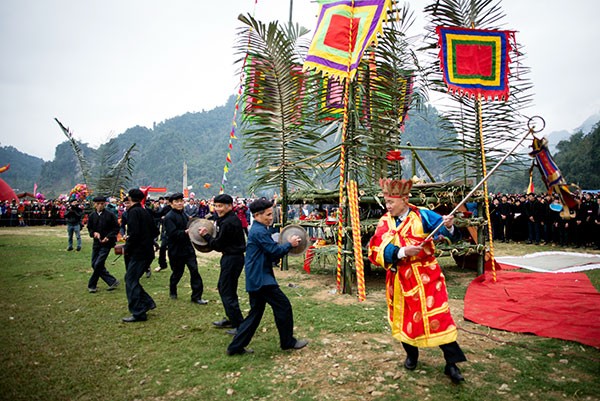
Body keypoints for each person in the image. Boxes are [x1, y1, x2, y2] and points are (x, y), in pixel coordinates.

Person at [368, 178, 467, 384]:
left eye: (390, 202)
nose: (387, 206)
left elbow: (446, 232)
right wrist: (402, 251)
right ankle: (411, 355)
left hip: (427, 276)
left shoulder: (422, 215)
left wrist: (448, 226)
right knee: (405, 319)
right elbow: (375, 249)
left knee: (439, 317)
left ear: (404, 200)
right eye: (386, 202)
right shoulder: (384, 222)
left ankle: (451, 363)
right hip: (399, 278)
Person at [226, 198, 308, 356]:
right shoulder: (259, 231)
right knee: (283, 306)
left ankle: (235, 347)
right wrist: (290, 244)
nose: (271, 218)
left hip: (257, 276)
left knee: (255, 313)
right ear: (257, 215)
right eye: (268, 215)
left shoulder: (260, 229)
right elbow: (274, 252)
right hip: (261, 279)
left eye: (272, 214)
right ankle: (287, 342)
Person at [198, 194, 246, 335]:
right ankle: (232, 318)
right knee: (225, 288)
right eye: (216, 206)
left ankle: (239, 325)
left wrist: (206, 236)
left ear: (230, 206)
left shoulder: (229, 222)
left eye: (221, 206)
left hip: (232, 258)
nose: (218, 209)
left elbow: (218, 245)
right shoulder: (225, 219)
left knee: (227, 290)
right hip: (231, 258)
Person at [122, 188, 159, 322]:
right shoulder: (145, 211)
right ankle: (147, 302)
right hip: (147, 251)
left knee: (130, 280)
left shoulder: (132, 213)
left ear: (130, 198)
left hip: (139, 252)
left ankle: (138, 312)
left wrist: (127, 246)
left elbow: (134, 234)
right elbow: (155, 231)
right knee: (132, 279)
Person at [163, 192, 208, 305]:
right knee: (178, 272)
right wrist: (185, 232)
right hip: (176, 250)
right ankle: (173, 289)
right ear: (171, 203)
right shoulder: (169, 217)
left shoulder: (184, 214)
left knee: (194, 270)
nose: (179, 203)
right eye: (176, 201)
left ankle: (196, 296)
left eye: (181, 201)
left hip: (188, 248)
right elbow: (172, 234)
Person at [86, 196, 120, 293]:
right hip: (96, 243)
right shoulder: (92, 216)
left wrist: (108, 237)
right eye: (98, 203)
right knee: (94, 264)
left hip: (107, 244)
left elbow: (116, 228)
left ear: (105, 204)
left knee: (98, 264)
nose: (100, 205)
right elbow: (90, 228)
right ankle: (112, 281)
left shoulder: (110, 215)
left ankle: (92, 285)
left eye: (102, 203)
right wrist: (94, 234)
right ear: (94, 204)